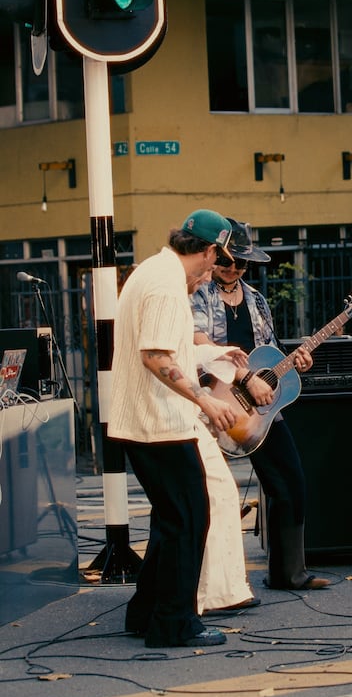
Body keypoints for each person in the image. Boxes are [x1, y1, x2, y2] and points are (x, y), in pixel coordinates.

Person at [108, 209, 241, 648]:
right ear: (205, 251)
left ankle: (145, 613)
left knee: (171, 520)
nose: (215, 271)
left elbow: (168, 354)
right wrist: (203, 398)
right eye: (216, 260)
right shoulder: (166, 288)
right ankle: (174, 623)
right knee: (189, 519)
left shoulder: (152, 270)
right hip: (160, 423)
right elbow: (157, 357)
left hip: (141, 421)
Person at [192, 220, 330, 593]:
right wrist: (242, 378)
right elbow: (198, 342)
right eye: (227, 261)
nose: (234, 269)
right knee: (209, 495)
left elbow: (267, 352)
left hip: (260, 410)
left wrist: (295, 360)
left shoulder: (256, 299)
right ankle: (210, 583)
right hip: (212, 402)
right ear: (214, 257)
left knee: (290, 482)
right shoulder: (198, 294)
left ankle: (289, 572)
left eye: (241, 264)